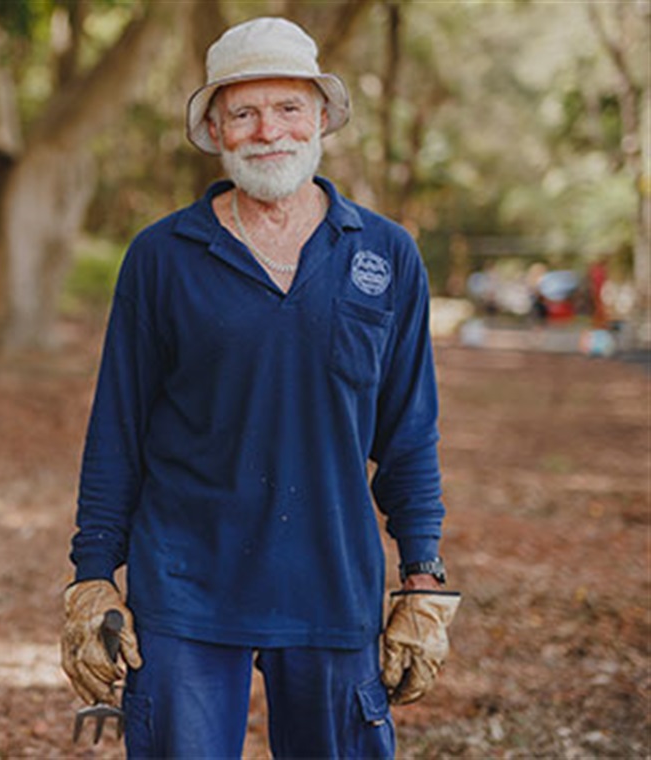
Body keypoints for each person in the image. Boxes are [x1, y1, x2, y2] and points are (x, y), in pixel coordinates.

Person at [60, 17, 461, 759]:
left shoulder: (385, 255)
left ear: (321, 119)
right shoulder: (161, 257)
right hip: (184, 589)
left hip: (332, 586)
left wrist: (423, 578)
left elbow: (409, 433)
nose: (267, 130)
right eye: (243, 112)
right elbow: (117, 428)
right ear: (214, 128)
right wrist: (92, 576)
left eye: (287, 108)